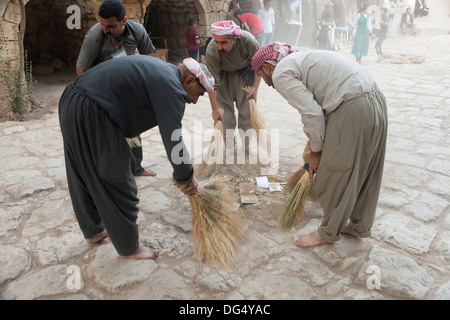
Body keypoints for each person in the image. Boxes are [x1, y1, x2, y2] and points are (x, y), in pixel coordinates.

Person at [59, 55, 214, 259]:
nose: (194, 101)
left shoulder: (164, 72)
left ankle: (93, 231)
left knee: (82, 171)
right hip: (93, 111)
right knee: (119, 179)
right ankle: (129, 247)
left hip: (72, 100)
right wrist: (185, 176)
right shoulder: (173, 89)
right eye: (199, 94)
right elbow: (173, 139)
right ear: (188, 81)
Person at [251, 42, 388, 247]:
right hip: (375, 101)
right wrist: (313, 141)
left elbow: (312, 113)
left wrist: (316, 152)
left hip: (354, 108)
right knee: (366, 170)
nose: (263, 80)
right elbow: (320, 105)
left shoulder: (280, 73)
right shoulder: (301, 60)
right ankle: (359, 226)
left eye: (260, 74)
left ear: (267, 67)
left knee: (333, 173)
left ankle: (327, 232)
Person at [76, 0, 156, 177]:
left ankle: (136, 167)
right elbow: (81, 68)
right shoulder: (95, 35)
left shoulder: (137, 31)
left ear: (124, 21)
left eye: (111, 26)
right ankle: (103, 170)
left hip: (127, 86)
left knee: (133, 126)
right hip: (100, 88)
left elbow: (148, 60)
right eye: (102, 24)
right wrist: (90, 97)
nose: (105, 29)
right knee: (103, 130)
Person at [205, 20, 261, 155]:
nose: (219, 47)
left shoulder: (249, 41)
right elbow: (213, 84)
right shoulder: (212, 50)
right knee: (225, 114)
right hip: (223, 76)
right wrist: (214, 109)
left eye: (224, 43)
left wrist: (255, 88)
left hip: (245, 74)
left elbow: (258, 65)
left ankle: (247, 145)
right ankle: (230, 146)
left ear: (234, 39)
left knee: (247, 112)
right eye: (217, 42)